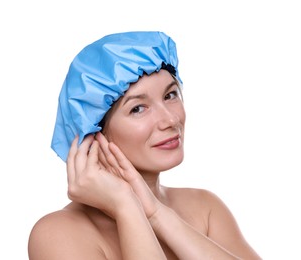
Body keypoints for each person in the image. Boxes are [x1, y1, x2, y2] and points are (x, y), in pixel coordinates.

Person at [28, 31, 261, 259]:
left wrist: (157, 214)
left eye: (170, 95)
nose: (171, 120)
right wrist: (126, 206)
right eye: (137, 108)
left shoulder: (205, 209)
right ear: (93, 133)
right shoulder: (58, 234)